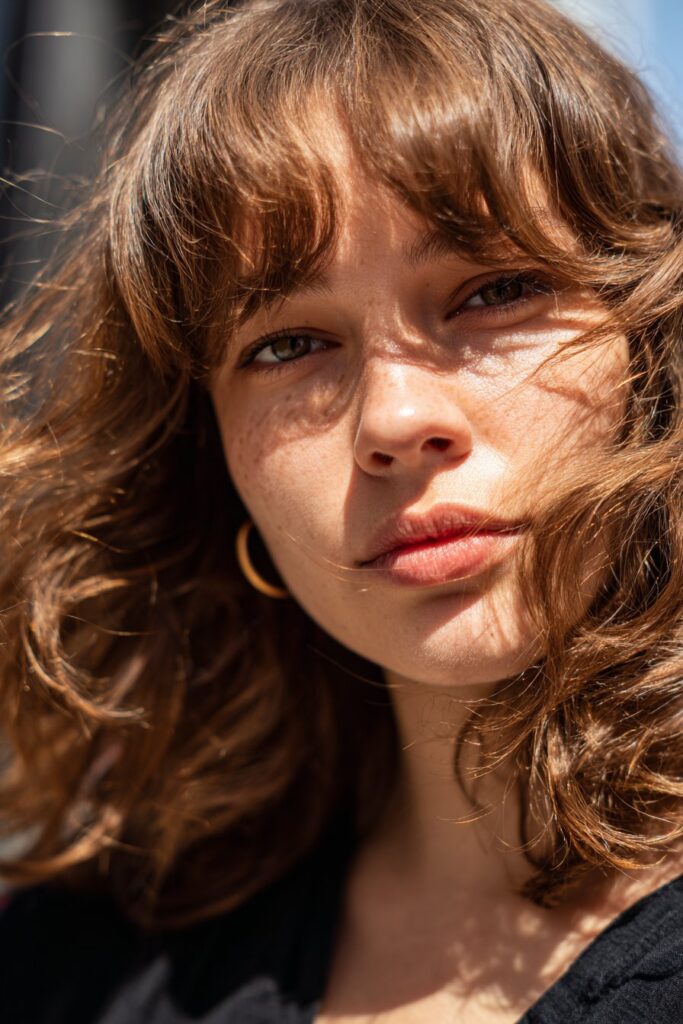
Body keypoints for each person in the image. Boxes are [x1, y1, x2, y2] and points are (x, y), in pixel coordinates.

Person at [1, 0, 682, 1020]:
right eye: (287, 345)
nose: (396, 419)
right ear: (211, 460)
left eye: (493, 290)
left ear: (649, 345)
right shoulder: (79, 974)